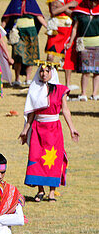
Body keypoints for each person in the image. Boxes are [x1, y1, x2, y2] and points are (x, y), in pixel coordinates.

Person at [21, 61, 78, 201]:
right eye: (41, 71)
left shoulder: (60, 90)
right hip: (38, 129)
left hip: (53, 130)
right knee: (36, 157)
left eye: (47, 71)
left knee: (53, 159)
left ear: (52, 73)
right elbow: (32, 113)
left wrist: (72, 128)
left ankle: (52, 191)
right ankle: (40, 190)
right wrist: (25, 130)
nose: (44, 74)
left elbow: (65, 110)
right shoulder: (35, 89)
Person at [2, 0, 47, 86]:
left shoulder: (32, 4)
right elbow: (7, 18)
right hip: (18, 34)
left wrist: (47, 27)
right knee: (18, 56)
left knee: (30, 56)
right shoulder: (14, 3)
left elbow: (39, 17)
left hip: (31, 33)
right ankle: (17, 79)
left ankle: (28, 78)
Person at [46, 0, 80, 77]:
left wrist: (61, 7)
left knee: (68, 58)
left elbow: (74, 15)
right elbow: (54, 12)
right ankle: (48, 77)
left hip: (69, 30)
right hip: (56, 29)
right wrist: (68, 6)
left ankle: (67, 84)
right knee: (50, 55)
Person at [68, 0, 99, 100]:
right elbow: (75, 28)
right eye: (91, 0)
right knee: (86, 70)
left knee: (97, 71)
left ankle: (95, 93)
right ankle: (83, 93)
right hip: (84, 45)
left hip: (97, 45)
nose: (93, 3)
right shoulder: (80, 13)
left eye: (95, 1)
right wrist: (71, 41)